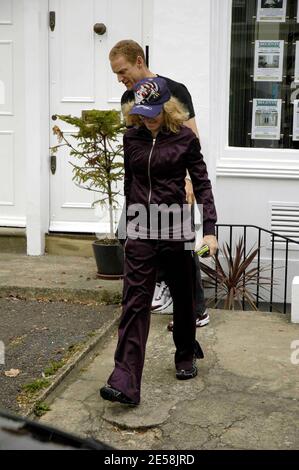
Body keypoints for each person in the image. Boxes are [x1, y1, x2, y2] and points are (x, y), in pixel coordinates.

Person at [100, 77, 217, 405]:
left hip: (175, 226)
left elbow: (203, 185)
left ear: (167, 107)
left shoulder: (185, 139)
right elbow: (129, 182)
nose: (148, 118)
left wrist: (209, 230)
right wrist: (125, 228)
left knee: (183, 296)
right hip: (140, 229)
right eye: (143, 112)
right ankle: (124, 380)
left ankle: (184, 353)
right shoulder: (131, 138)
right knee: (135, 302)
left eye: (154, 112)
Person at [109, 39, 216, 328]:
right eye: (116, 74)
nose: (120, 79)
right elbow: (136, 145)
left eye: (123, 71)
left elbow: (191, 139)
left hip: (173, 185)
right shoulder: (128, 99)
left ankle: (196, 309)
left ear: (139, 62)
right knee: (128, 235)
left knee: (180, 248)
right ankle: (160, 284)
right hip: (144, 187)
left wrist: (188, 183)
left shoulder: (175, 90)